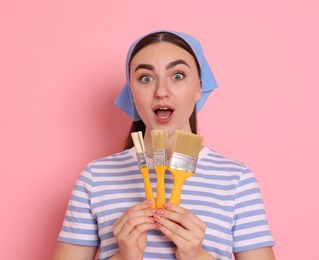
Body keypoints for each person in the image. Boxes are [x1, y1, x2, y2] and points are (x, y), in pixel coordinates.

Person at [53, 30, 276, 260]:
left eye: (178, 75)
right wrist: (123, 257)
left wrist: (198, 256)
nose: (161, 92)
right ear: (131, 92)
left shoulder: (236, 179)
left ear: (199, 86)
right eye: (146, 78)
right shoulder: (95, 177)